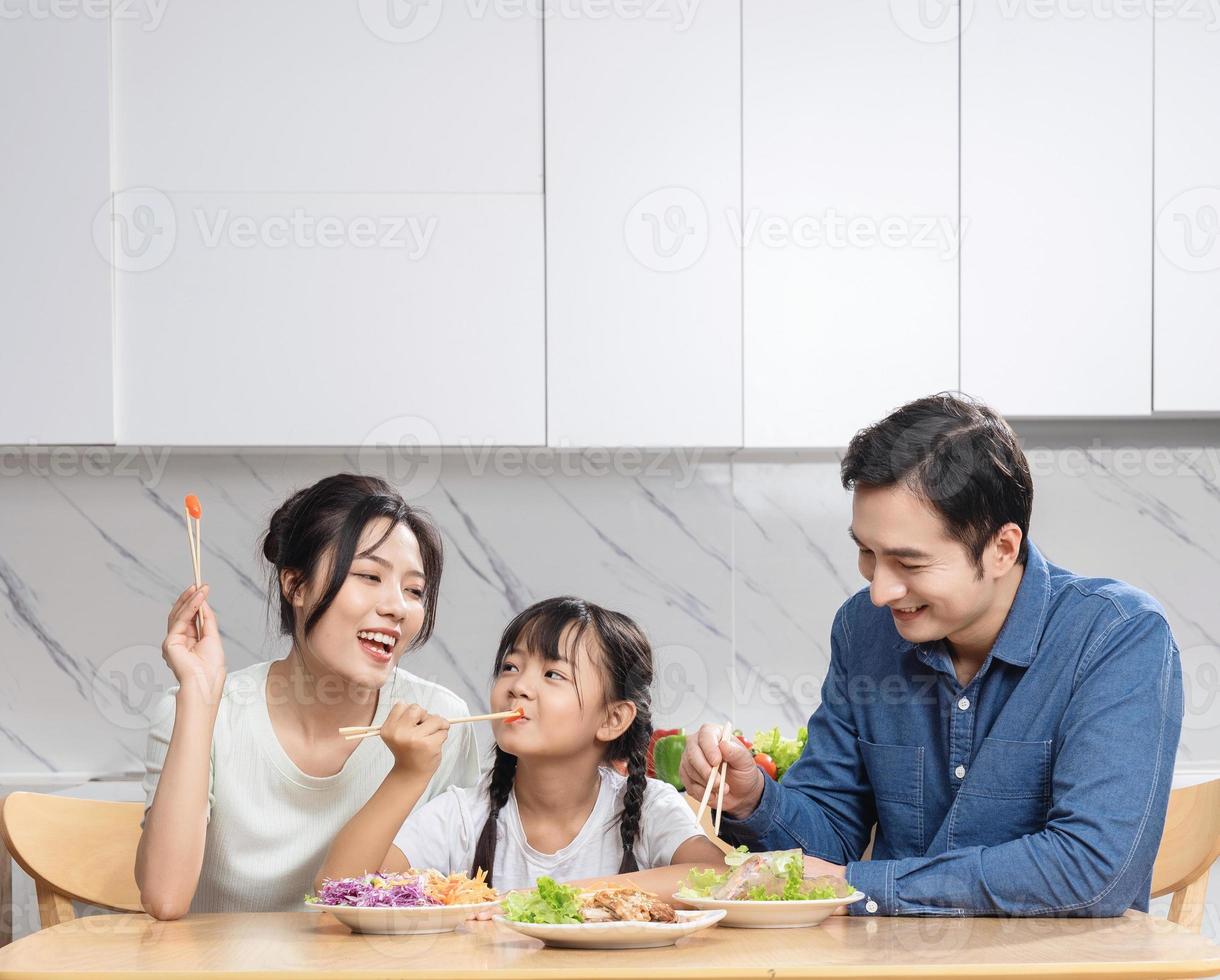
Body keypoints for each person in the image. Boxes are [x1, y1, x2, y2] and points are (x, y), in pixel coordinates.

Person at [681, 393, 1184, 917]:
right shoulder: (864, 630)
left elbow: (1091, 870)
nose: (880, 590)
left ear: (1002, 549)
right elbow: (827, 840)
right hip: (894, 965)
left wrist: (862, 883)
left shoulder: (1116, 637)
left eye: (909, 563)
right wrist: (754, 801)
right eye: (867, 553)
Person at [135, 473, 479, 918]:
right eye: (370, 576)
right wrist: (199, 699)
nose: (397, 607)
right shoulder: (206, 714)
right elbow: (164, 898)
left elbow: (451, 899)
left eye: (414, 590)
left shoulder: (441, 722)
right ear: (295, 585)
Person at [318, 596, 725, 892]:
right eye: (511, 667)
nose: (518, 687)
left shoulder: (648, 808)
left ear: (612, 718)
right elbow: (341, 890)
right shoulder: (465, 817)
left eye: (553, 675)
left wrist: (554, 899)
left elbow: (718, 878)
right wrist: (407, 773)